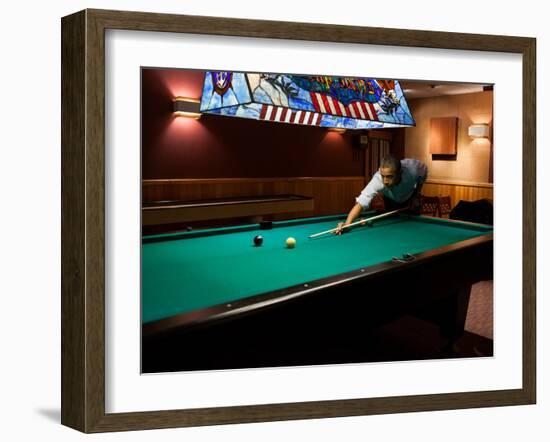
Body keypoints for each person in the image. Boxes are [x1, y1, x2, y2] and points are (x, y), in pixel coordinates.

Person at [335, 155, 428, 234]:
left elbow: (423, 172)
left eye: (390, 176)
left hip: (409, 199)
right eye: (383, 176)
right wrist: (347, 224)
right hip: (390, 200)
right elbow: (362, 201)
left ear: (400, 173)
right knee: (392, 226)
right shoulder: (378, 180)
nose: (385, 181)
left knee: (413, 228)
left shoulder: (413, 169)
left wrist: (416, 194)